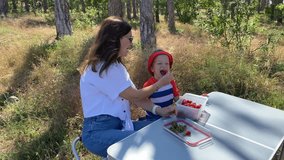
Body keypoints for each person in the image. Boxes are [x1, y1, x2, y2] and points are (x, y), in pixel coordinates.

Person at [79, 16, 177, 158]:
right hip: (97, 133)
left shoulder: (117, 67)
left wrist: (159, 110)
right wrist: (159, 84)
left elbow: (137, 99)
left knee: (161, 130)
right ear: (115, 39)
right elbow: (135, 96)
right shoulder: (101, 68)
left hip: (121, 126)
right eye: (129, 39)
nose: (131, 44)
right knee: (145, 142)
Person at [143, 50, 180, 121]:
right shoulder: (148, 85)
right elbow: (144, 104)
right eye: (159, 63)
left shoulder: (171, 82)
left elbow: (177, 98)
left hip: (169, 117)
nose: (164, 66)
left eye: (167, 64)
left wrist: (190, 102)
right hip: (153, 119)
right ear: (152, 68)